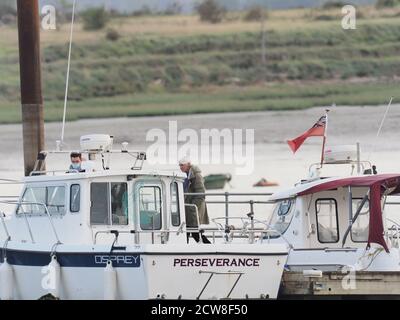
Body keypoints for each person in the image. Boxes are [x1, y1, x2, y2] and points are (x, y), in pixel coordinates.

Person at [179, 157, 211, 244]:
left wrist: (193, 207)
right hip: (187, 208)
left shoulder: (196, 175)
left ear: (188, 164)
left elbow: (201, 193)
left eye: (182, 165)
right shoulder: (186, 175)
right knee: (187, 232)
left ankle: (209, 247)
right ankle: (185, 250)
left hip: (193, 208)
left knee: (193, 232)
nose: (180, 167)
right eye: (179, 165)